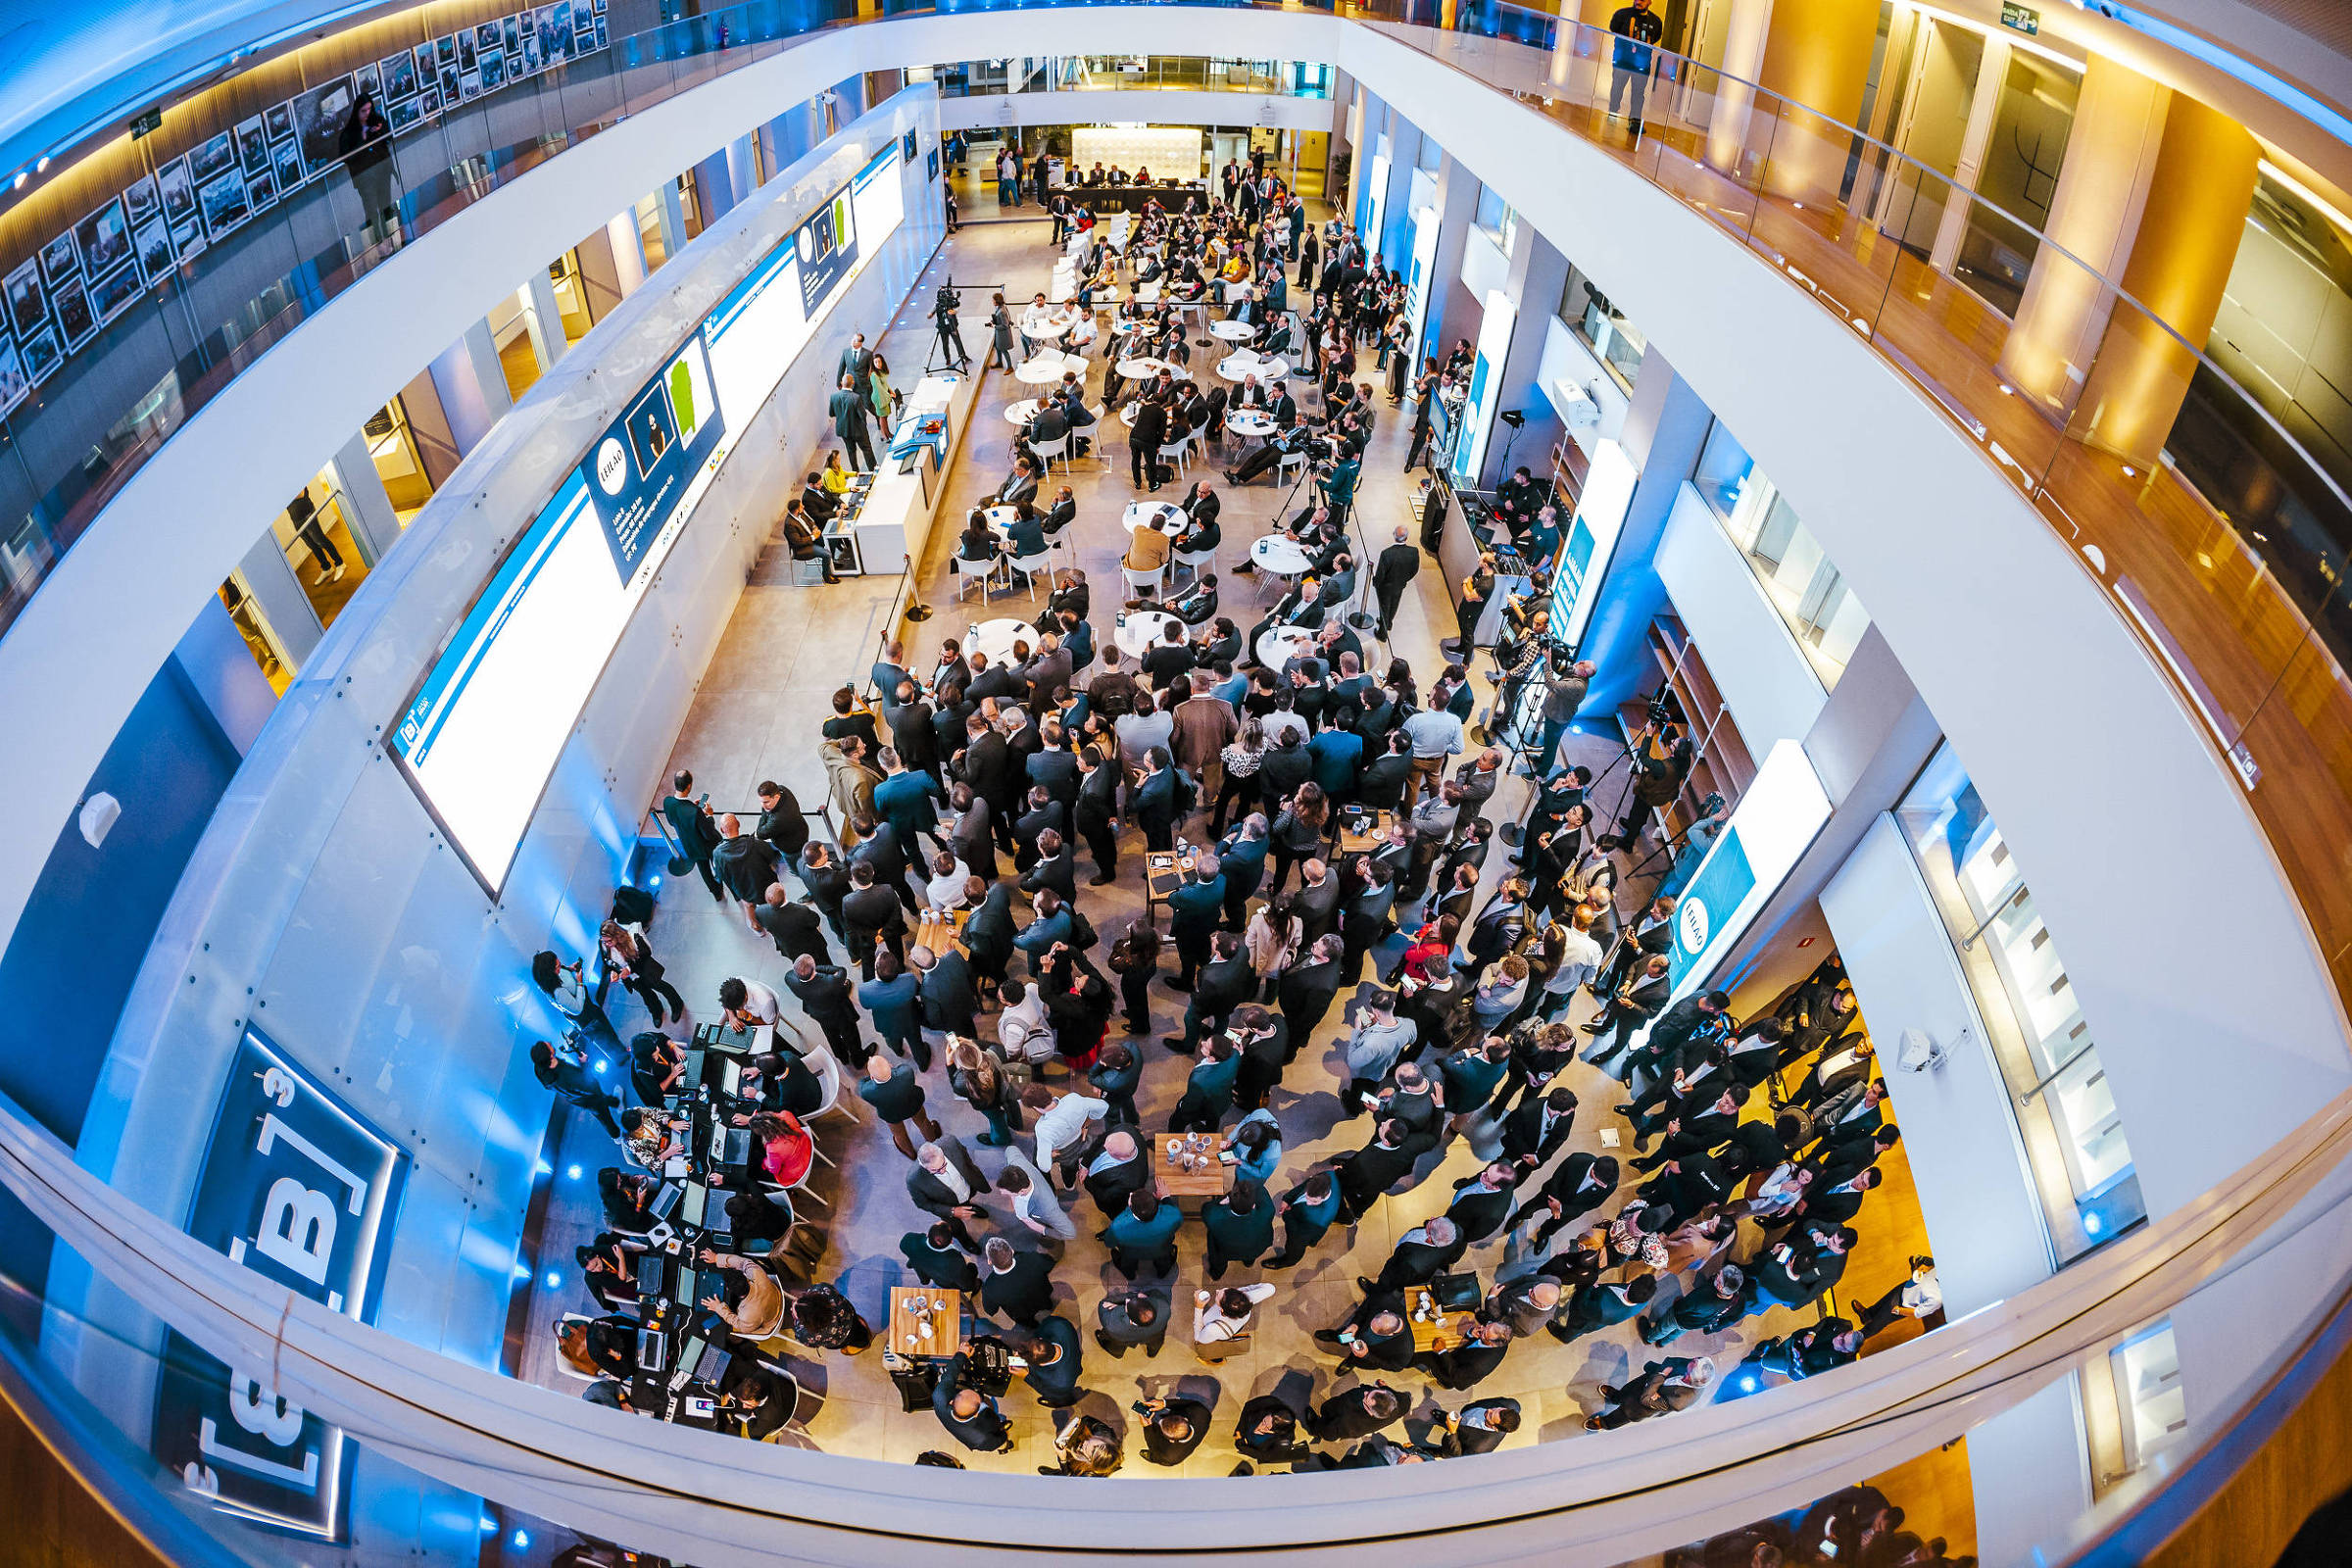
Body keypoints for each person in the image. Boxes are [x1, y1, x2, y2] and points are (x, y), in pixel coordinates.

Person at [530, 1038, 621, 1139]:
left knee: (602, 1105)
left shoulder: (539, 1068)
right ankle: (617, 1135)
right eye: (549, 1045)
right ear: (551, 1056)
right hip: (591, 1098)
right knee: (605, 1117)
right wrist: (584, 1063)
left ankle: (615, 1102)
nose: (549, 1043)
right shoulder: (567, 1076)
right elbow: (588, 1084)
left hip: (577, 1099)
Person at [860, 1051, 942, 1159]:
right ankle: (934, 1143)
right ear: (890, 1065)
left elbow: (862, 1083)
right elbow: (901, 1068)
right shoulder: (906, 1073)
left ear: (871, 1077)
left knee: (899, 1134)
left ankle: (910, 1153)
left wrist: (873, 1074)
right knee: (923, 1122)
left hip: (891, 1114)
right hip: (912, 1104)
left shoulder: (867, 1091)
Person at [337, 90, 397, 236]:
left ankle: (392, 237)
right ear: (357, 111)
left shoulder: (378, 120)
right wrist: (362, 138)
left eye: (369, 109)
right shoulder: (348, 133)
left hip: (383, 170)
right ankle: (376, 244)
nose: (367, 113)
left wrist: (378, 131)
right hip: (365, 178)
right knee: (371, 212)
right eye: (363, 110)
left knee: (386, 206)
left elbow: (389, 138)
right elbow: (345, 157)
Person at [1607, 0, 1665, 139]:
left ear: (1650, 2)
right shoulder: (1622, 14)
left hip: (1642, 63)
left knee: (1638, 93)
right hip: (1623, 60)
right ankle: (1613, 113)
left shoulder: (1656, 21)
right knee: (1617, 87)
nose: (1638, 1)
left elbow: (1655, 37)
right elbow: (1613, 27)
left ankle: (1635, 121)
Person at [829, 371, 879, 469]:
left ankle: (855, 472)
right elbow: (863, 415)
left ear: (841, 383)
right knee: (866, 449)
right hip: (858, 430)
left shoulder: (834, 397)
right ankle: (873, 469)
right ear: (852, 383)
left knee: (851, 451)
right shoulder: (855, 398)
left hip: (843, 431)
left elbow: (831, 413)